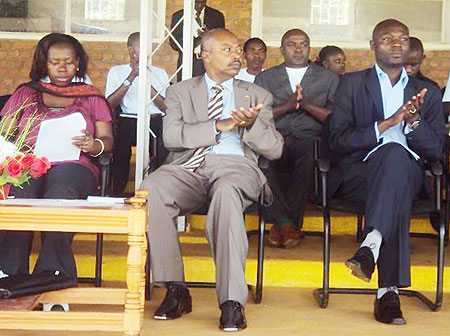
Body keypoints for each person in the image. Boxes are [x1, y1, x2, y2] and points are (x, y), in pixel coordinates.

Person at [141, 28, 283, 331]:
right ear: (204, 55)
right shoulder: (180, 91)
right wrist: (220, 125)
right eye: (227, 50)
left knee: (228, 194)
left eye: (238, 50)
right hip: (189, 167)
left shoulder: (258, 95)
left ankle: (231, 301)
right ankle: (175, 289)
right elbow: (171, 137)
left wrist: (249, 126)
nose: (237, 56)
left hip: (236, 166)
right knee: (152, 187)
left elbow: (275, 148)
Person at [328, 19, 444, 325]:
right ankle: (387, 293)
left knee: (396, 160)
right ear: (372, 46)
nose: (396, 44)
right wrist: (386, 125)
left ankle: (371, 246)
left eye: (403, 39)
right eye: (387, 39)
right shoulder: (351, 84)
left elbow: (435, 151)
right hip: (359, 176)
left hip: (409, 178)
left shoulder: (427, 92)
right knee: (393, 161)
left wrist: (414, 123)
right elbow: (337, 142)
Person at [0, 33, 113, 311]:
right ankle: (10, 275)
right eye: (54, 62)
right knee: (23, 191)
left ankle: (53, 278)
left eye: (69, 62)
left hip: (74, 164)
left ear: (78, 64)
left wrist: (93, 144)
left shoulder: (91, 96)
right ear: (44, 64)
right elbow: (5, 133)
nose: (62, 68)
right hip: (28, 163)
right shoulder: (26, 93)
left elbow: (107, 140)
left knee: (60, 191)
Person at [255, 29, 339, 248]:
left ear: (309, 49)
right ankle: (288, 224)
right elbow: (259, 115)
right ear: (282, 50)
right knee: (261, 164)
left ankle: (282, 225)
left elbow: (334, 117)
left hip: (309, 140)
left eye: (303, 44)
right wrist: (288, 105)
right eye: (292, 44)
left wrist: (306, 105)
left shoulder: (328, 78)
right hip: (276, 137)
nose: (298, 48)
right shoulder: (265, 78)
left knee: (307, 158)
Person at [105, 32, 169, 196]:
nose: (146, 51)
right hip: (129, 119)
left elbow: (165, 108)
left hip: (154, 120)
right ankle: (118, 191)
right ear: (130, 50)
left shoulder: (160, 72)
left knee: (163, 149)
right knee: (119, 148)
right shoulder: (117, 71)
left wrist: (146, 81)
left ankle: (157, 191)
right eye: (141, 48)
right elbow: (110, 104)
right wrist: (132, 77)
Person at [170, 0, 225, 81]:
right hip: (187, 62)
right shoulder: (179, 15)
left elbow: (222, 42)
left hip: (210, 62)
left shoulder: (216, 16)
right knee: (186, 89)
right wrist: (197, 40)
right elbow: (174, 43)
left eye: (202, 3)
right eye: (196, 2)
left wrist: (209, 35)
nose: (199, 6)